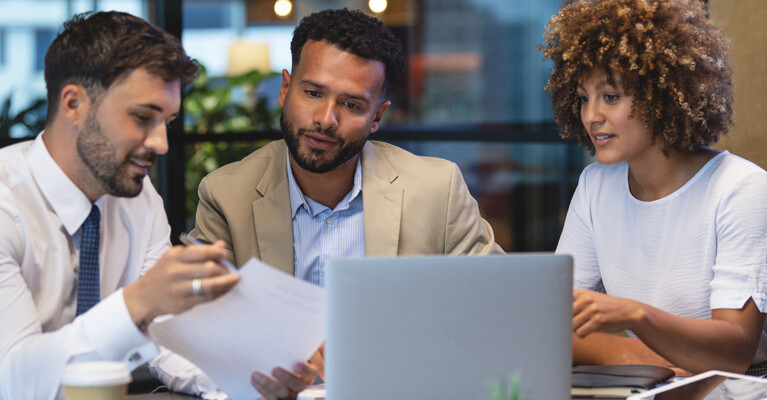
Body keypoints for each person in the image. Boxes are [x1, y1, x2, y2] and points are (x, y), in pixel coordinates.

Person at [151, 7, 504, 400]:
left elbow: (496, 309)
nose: (325, 119)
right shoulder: (226, 194)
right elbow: (200, 334)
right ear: (285, 89)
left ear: (377, 117)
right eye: (313, 92)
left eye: (352, 105)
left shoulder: (437, 188)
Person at [0, 11, 245, 400]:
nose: (161, 143)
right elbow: (13, 380)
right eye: (142, 117)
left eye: (167, 120)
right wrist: (138, 302)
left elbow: (167, 334)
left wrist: (248, 379)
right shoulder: (5, 205)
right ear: (73, 104)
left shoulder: (139, 198)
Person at [541, 0, 767, 378]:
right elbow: (551, 324)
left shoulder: (741, 188)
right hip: (653, 386)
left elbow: (734, 351)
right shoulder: (596, 185)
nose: (591, 115)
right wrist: (652, 358)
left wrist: (637, 315)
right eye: (583, 98)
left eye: (610, 96)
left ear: (663, 96)